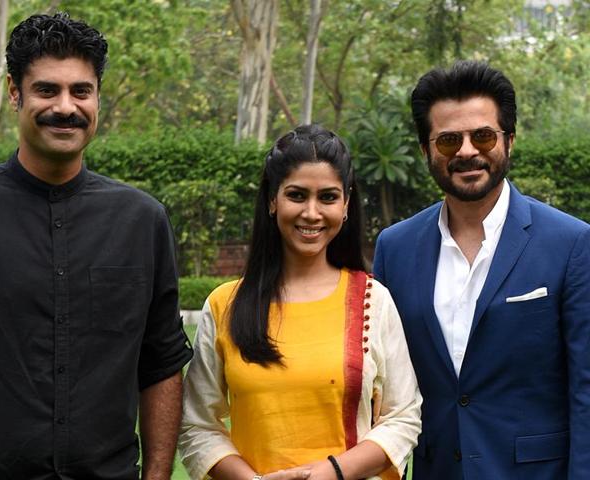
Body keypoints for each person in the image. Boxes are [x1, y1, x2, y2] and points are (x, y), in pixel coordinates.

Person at [0, 13, 193, 479]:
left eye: (81, 91)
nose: (66, 106)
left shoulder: (141, 221)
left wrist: (158, 475)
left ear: (97, 97)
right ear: (14, 92)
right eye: (47, 90)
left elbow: (161, 363)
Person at [373, 60, 590, 479]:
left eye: (483, 135)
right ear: (426, 150)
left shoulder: (572, 243)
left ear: (509, 141)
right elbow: (383, 388)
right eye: (449, 140)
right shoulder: (394, 248)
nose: (468, 151)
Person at [179, 124, 421, 480]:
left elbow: (403, 415)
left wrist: (332, 472)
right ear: (272, 200)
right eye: (296, 195)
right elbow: (196, 424)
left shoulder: (372, 300)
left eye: (327, 197)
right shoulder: (225, 305)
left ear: (346, 204)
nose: (311, 212)